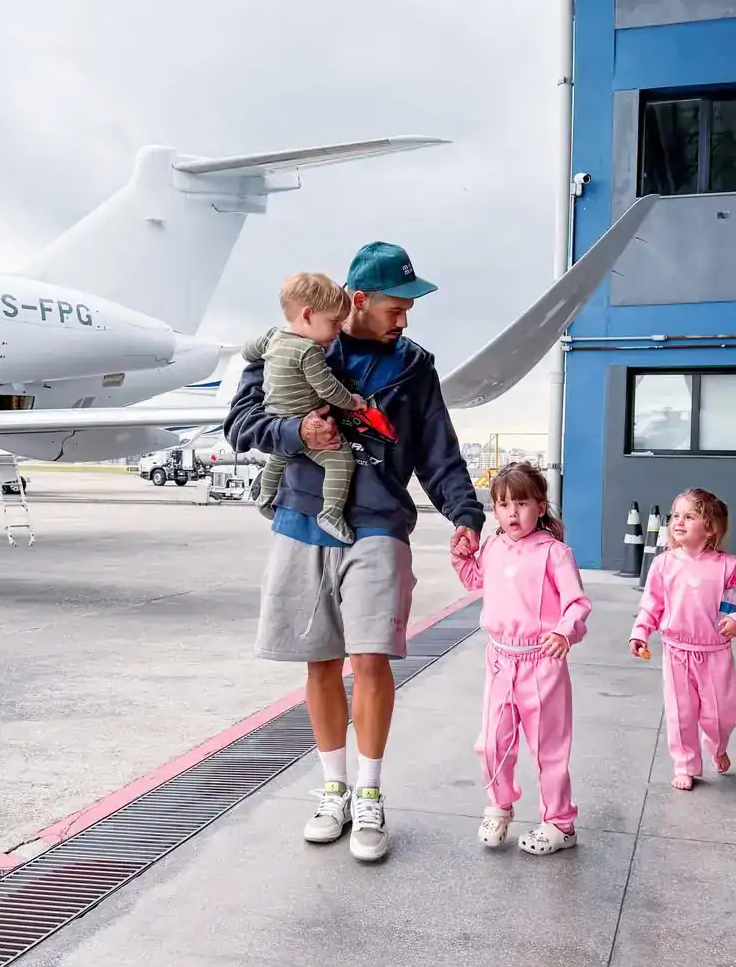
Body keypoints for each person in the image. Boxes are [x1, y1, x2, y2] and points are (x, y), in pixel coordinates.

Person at [225, 240, 485, 862]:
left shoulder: (414, 366)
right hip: (302, 518)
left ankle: (369, 796)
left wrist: (465, 515)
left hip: (379, 523)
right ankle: (333, 791)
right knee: (320, 664)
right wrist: (295, 430)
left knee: (370, 659)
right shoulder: (295, 343)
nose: (405, 317)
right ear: (359, 300)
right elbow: (239, 424)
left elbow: (438, 452)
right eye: (397, 305)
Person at [451, 462, 591, 855]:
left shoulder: (555, 554)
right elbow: (476, 579)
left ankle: (559, 823)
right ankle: (499, 805)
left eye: (522, 503)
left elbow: (577, 603)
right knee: (492, 742)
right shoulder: (494, 547)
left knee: (549, 747)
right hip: (500, 660)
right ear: (494, 511)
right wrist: (462, 558)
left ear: (540, 507)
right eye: (503, 504)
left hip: (541, 662)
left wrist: (564, 631)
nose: (513, 512)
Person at [629, 488, 736, 791]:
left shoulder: (727, 566)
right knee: (680, 713)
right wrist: (640, 632)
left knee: (722, 714)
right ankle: (685, 764)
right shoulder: (663, 564)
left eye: (689, 516)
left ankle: (718, 745)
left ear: (710, 528)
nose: (678, 521)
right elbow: (652, 605)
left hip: (715, 652)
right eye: (675, 515)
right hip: (676, 651)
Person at [244, 272, 366, 544]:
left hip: (276, 418)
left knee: (278, 457)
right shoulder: (310, 351)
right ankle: (331, 513)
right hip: (306, 421)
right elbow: (328, 389)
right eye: (334, 322)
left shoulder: (273, 336)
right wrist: (353, 402)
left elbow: (247, 351)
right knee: (341, 461)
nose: (338, 331)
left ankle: (264, 499)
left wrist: (262, 358)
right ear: (308, 315)